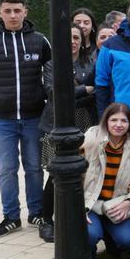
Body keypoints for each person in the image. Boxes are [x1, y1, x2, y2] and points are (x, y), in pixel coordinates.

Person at [0, 0, 50, 238]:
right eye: (8, 10)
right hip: (1, 119)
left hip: (33, 117)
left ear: (25, 11)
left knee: (34, 167)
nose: (13, 15)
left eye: (17, 10)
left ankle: (36, 212)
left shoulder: (40, 41)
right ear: (0, 13)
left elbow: (51, 76)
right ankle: (11, 217)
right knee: (6, 169)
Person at [37, 23, 96, 242]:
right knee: (55, 173)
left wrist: (73, 93)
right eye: (67, 37)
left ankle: (74, 216)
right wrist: (83, 90)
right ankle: (47, 220)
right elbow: (54, 94)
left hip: (84, 123)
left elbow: (95, 92)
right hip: (56, 124)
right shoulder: (52, 65)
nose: (72, 41)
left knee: (82, 171)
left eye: (76, 38)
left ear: (82, 42)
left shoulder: (91, 63)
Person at [82, 102, 130, 258]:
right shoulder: (91, 139)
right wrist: (77, 208)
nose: (118, 125)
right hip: (89, 204)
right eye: (114, 120)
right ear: (106, 121)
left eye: (124, 121)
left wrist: (129, 202)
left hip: (114, 205)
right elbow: (74, 176)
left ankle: (110, 238)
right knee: (89, 234)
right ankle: (87, 252)